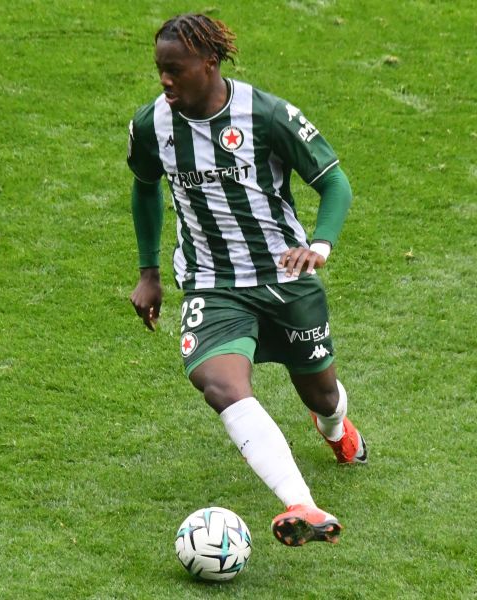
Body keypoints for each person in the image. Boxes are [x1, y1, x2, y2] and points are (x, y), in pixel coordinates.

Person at [126, 13, 367, 547]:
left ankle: (334, 428)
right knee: (218, 384)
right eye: (160, 68)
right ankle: (301, 504)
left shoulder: (266, 114)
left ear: (210, 63)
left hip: (285, 276)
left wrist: (320, 245)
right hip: (211, 282)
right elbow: (144, 187)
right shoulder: (151, 126)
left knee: (322, 394)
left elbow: (336, 183)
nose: (164, 79)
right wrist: (149, 273)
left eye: (175, 69)